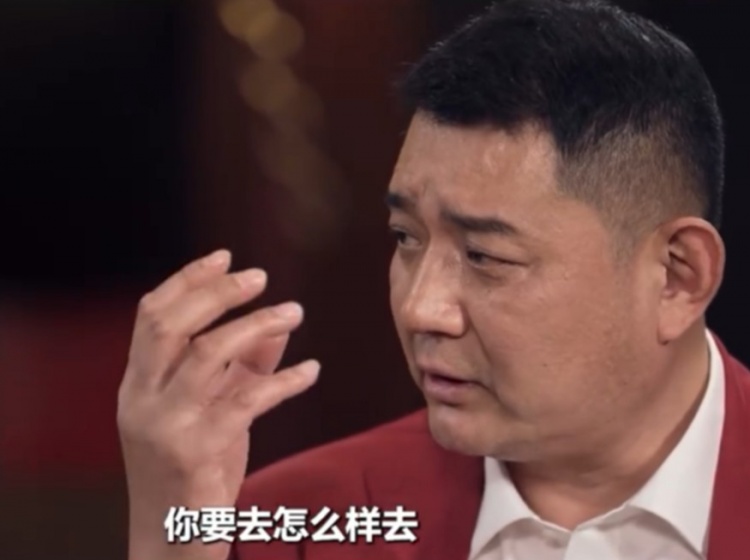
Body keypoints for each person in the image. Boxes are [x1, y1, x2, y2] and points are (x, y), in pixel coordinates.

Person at [117, 0, 750, 559]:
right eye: (406, 238)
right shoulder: (299, 523)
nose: (421, 308)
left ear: (677, 276)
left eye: (485, 256)